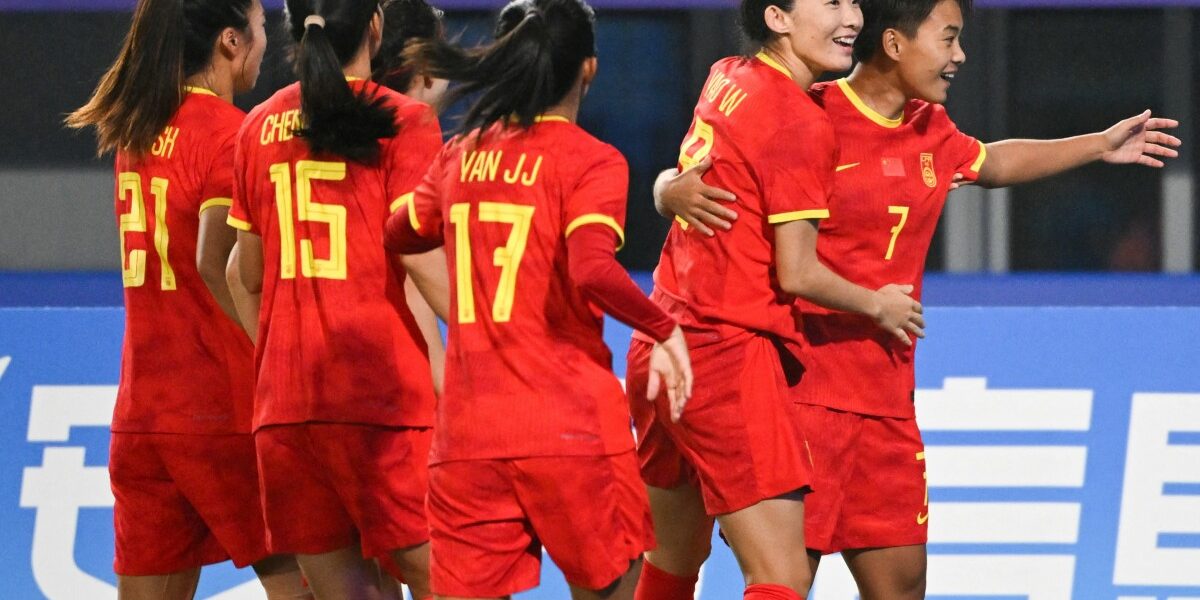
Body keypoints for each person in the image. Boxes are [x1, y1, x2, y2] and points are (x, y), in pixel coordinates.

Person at [655, 0, 1181, 596]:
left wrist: (1097, 145)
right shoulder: (808, 113)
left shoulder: (931, 128)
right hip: (803, 389)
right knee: (784, 579)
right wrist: (667, 189)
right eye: (949, 38)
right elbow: (708, 178)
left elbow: (993, 160)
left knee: (902, 584)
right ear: (896, 44)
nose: (960, 56)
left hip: (886, 398)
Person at [385, 1, 693, 598]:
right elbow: (591, 268)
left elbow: (399, 233)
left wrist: (466, 300)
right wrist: (663, 327)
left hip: (469, 439)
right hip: (571, 431)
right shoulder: (593, 161)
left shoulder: (460, 154)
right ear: (589, 69)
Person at [626, 1, 925, 599]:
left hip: (660, 345)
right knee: (781, 578)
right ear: (778, 17)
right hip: (723, 358)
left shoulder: (726, 75)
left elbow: (702, 181)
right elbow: (798, 272)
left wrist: (663, 190)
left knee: (674, 557)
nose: (852, 19)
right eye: (831, 4)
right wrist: (878, 305)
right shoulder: (797, 119)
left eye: (853, 3)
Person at [65, 0, 309, 598]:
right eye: (257, 26)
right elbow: (219, 259)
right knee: (312, 585)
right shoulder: (233, 135)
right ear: (230, 41)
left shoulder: (137, 131)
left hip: (143, 418)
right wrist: (282, 361)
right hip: (225, 413)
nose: (264, 40)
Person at [224, 0, 446, 597]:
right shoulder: (405, 120)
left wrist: (277, 359)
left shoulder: (255, 128)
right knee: (456, 582)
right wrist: (501, 336)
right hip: (380, 403)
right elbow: (421, 258)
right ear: (376, 24)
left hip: (285, 414)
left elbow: (241, 277)